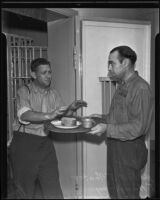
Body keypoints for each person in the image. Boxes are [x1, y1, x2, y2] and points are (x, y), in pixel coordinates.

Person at [9, 58, 87, 199]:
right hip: (24, 144)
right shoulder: (24, 91)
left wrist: (71, 108)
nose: (49, 76)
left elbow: (61, 117)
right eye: (44, 73)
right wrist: (49, 114)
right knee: (24, 191)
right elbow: (25, 115)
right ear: (33, 75)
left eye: (50, 72)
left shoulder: (54, 93)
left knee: (53, 187)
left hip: (46, 144)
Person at [88, 46, 153, 199]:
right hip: (115, 148)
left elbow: (138, 127)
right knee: (115, 192)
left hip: (129, 150)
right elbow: (120, 117)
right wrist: (102, 117)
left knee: (127, 195)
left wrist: (107, 128)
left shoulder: (141, 88)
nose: (109, 67)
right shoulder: (122, 85)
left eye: (112, 63)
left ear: (125, 64)